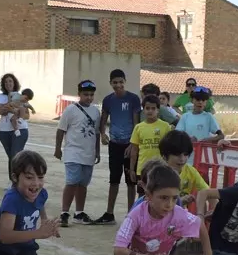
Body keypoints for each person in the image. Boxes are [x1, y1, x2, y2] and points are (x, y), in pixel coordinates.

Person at [96, 68, 142, 224]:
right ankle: (109, 213)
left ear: (125, 82)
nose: (118, 85)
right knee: (114, 179)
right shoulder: (108, 100)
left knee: (131, 181)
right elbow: (103, 119)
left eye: (121, 82)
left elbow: (137, 123)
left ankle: (131, 215)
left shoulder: (133, 99)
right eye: (115, 82)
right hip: (114, 145)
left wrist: (133, 143)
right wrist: (103, 134)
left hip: (130, 146)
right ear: (110, 83)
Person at [54, 79, 101, 226]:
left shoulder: (95, 111)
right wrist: (58, 148)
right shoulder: (70, 110)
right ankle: (64, 213)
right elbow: (61, 130)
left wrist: (97, 151)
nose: (89, 97)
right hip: (73, 152)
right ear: (79, 94)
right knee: (72, 182)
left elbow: (97, 133)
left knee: (83, 184)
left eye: (91, 94)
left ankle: (79, 213)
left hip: (88, 153)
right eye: (86, 94)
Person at [158, 130, 218, 216]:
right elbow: (155, 205)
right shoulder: (158, 173)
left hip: (179, 217)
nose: (182, 159)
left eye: (185, 154)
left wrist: (215, 209)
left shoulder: (190, 171)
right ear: (164, 156)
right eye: (177, 155)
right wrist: (180, 201)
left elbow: (207, 192)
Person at [129, 95, 173, 191]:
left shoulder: (165, 126)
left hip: (160, 168)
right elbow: (134, 150)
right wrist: (132, 169)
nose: (150, 111)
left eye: (153, 108)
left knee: (159, 195)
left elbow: (169, 149)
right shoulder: (138, 127)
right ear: (143, 110)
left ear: (158, 110)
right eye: (147, 108)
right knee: (142, 196)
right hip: (143, 169)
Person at [0, 73, 30, 163]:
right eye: (5, 82)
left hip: (20, 129)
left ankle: (18, 176)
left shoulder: (20, 96)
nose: (8, 84)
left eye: (10, 81)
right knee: (11, 158)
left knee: (15, 156)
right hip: (4, 131)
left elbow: (27, 115)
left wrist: (14, 111)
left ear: (14, 83)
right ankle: (13, 177)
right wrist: (11, 108)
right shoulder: (1, 96)